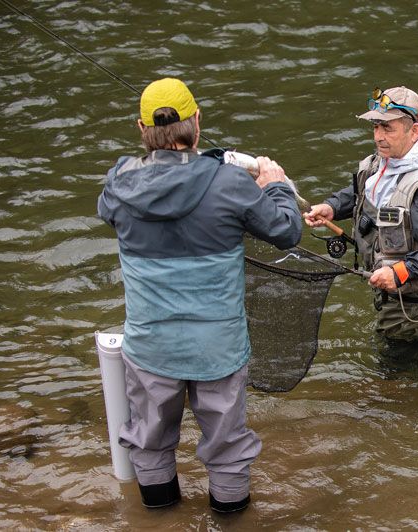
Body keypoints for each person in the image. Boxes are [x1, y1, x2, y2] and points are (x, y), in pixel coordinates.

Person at [97, 78, 302, 513]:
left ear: (141, 127)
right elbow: (286, 231)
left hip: (151, 345)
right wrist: (275, 185)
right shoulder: (231, 184)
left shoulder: (118, 183)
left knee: (149, 439)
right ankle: (230, 522)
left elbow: (110, 207)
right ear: (196, 120)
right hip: (218, 347)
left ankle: (158, 519)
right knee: (227, 446)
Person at [304, 86, 418, 341]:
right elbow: (364, 192)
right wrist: (332, 207)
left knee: (403, 369)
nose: (378, 136)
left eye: (387, 128)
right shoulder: (388, 160)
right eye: (375, 127)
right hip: (401, 299)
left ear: (415, 130)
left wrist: (401, 271)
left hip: (416, 309)